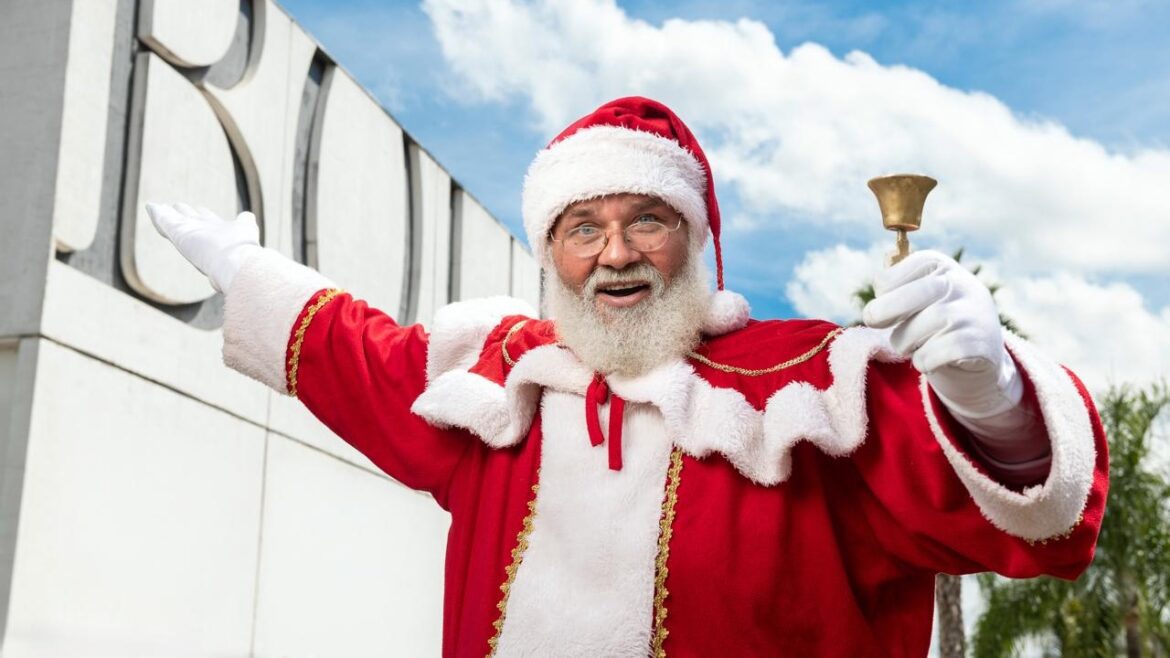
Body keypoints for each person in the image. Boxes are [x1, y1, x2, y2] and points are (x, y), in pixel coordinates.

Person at [148, 97, 1108, 657]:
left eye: (646, 219)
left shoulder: (811, 382)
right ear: (551, 253)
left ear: (697, 241)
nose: (615, 255)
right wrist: (247, 272)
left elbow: (1020, 515)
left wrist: (994, 398)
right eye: (583, 228)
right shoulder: (505, 379)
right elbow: (364, 357)